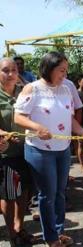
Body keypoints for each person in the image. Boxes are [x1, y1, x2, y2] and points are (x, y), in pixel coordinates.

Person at [14, 51, 83, 247]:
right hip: (39, 150)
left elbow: (69, 118)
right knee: (47, 194)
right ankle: (51, 238)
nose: (65, 75)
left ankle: (59, 231)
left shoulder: (65, 89)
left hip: (62, 148)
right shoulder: (33, 89)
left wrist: (82, 131)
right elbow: (18, 117)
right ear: (48, 69)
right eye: (61, 71)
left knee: (60, 192)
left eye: (66, 70)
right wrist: (37, 127)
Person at [0, 58, 37, 246]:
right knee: (8, 194)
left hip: (27, 150)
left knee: (24, 192)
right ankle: (11, 234)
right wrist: (4, 134)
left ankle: (19, 227)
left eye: (13, 70)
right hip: (5, 154)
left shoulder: (24, 92)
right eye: (5, 70)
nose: (10, 74)